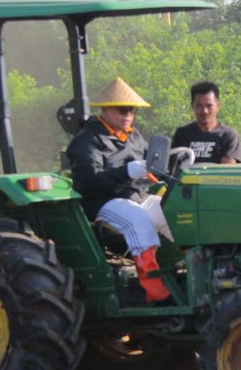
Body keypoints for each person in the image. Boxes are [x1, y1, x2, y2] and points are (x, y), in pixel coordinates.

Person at [66, 77, 171, 302]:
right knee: (139, 220)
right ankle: (154, 290)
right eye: (122, 110)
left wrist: (157, 170)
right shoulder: (86, 140)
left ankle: (186, 273)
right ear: (105, 110)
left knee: (175, 212)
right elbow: (88, 183)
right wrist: (126, 172)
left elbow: (148, 164)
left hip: (137, 195)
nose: (128, 115)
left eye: (131, 110)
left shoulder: (133, 135)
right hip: (102, 202)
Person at [172, 81, 241, 164]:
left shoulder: (229, 136)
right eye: (199, 106)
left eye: (209, 106)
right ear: (192, 106)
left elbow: (226, 172)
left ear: (218, 105)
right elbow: (170, 168)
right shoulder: (181, 134)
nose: (204, 111)